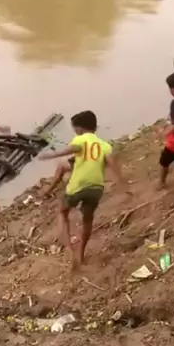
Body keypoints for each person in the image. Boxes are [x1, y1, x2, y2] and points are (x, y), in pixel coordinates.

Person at [39, 110, 121, 270]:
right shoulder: (105, 145)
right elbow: (112, 164)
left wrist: (51, 155)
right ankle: (81, 255)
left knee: (62, 212)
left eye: (75, 129)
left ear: (79, 129)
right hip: (96, 188)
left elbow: (72, 149)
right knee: (87, 220)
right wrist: (122, 183)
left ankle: (71, 253)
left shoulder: (80, 139)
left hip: (78, 185)